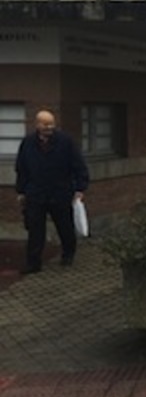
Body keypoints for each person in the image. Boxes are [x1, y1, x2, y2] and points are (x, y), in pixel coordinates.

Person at [15, 110, 89, 274]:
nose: (49, 127)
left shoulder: (66, 142)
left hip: (60, 191)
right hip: (36, 192)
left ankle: (68, 254)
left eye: (51, 124)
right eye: (45, 124)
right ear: (37, 125)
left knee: (65, 226)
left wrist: (80, 188)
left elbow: (78, 165)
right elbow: (22, 168)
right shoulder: (27, 143)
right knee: (35, 230)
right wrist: (21, 191)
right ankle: (33, 263)